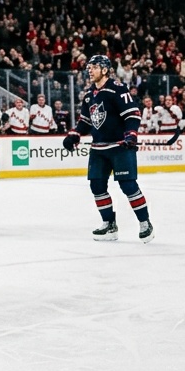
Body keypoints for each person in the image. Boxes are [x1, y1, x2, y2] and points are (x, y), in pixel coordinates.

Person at [62, 54, 153, 242]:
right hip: (98, 148)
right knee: (96, 185)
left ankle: (145, 223)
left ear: (104, 69)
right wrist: (75, 134)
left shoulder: (117, 89)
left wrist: (131, 134)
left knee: (128, 186)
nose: (90, 70)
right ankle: (109, 225)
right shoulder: (89, 95)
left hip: (120, 147)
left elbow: (133, 115)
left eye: (94, 67)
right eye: (89, 67)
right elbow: (86, 121)